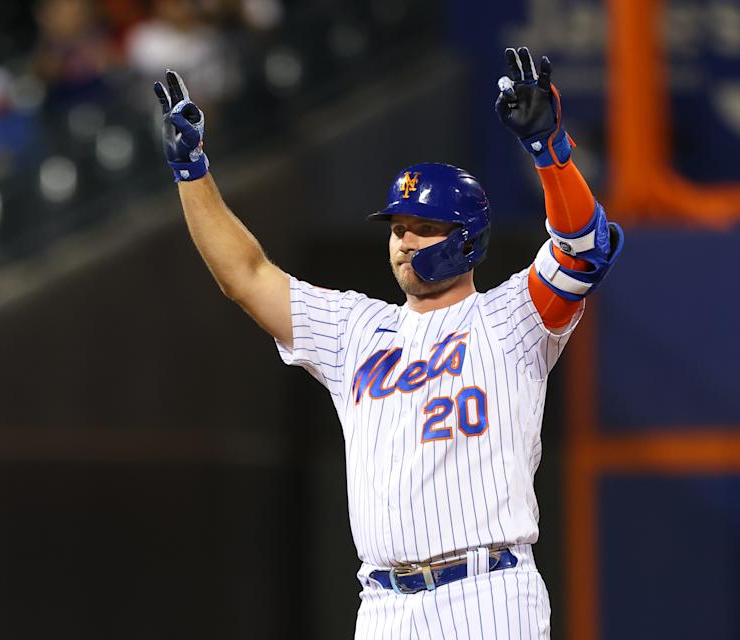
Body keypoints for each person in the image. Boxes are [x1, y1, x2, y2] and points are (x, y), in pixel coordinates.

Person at [154, 47, 623, 639]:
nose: (403, 242)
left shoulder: (514, 317)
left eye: (423, 228)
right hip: (383, 605)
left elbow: (581, 246)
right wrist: (192, 174)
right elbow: (244, 275)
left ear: (468, 240)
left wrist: (549, 151)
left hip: (487, 594)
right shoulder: (353, 330)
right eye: (398, 228)